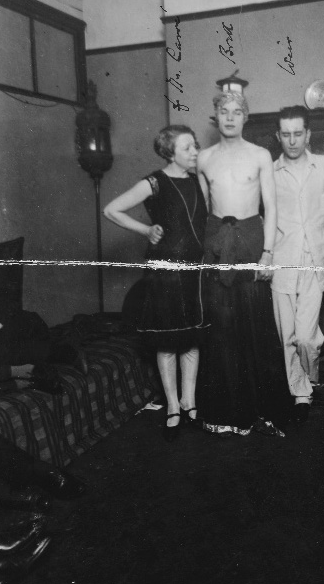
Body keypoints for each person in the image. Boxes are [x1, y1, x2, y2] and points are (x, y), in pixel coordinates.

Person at [103, 125, 208, 442]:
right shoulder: (154, 182)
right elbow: (112, 210)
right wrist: (145, 230)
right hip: (163, 271)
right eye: (187, 147)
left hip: (193, 270)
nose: (194, 152)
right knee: (166, 340)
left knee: (190, 337)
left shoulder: (197, 180)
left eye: (195, 146)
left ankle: (190, 403)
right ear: (170, 152)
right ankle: (172, 407)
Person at [197, 90, 291, 436]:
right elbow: (202, 210)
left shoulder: (261, 155)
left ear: (245, 117)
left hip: (252, 241)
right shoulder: (203, 158)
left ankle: (264, 410)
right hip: (217, 243)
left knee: (256, 323)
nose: (231, 117)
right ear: (216, 117)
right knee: (221, 326)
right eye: (224, 111)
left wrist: (268, 253)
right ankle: (226, 414)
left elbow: (272, 207)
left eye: (237, 111)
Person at [272, 106, 324, 424]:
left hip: (316, 260)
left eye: (297, 133)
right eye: (285, 134)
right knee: (285, 336)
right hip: (281, 262)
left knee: (304, 336)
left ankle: (309, 379)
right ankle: (300, 393)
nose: (292, 141)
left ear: (308, 134)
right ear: (278, 136)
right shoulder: (269, 172)